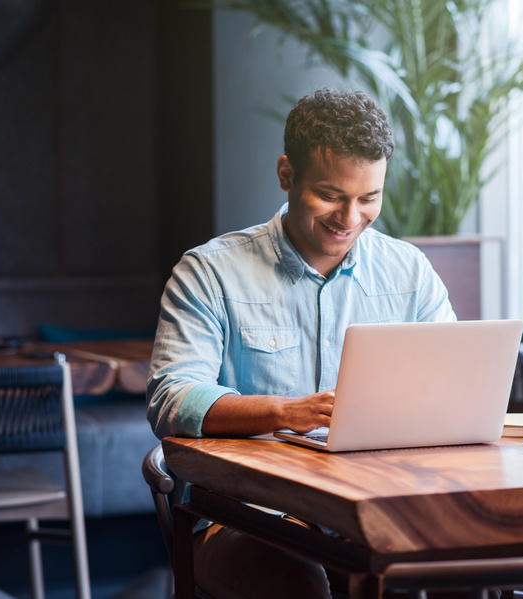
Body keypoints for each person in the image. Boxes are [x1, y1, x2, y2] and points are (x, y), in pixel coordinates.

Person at [147, 88, 456, 598]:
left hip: (381, 510)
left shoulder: (409, 272)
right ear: (286, 174)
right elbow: (172, 397)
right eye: (331, 195)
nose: (350, 218)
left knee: (472, 573)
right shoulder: (210, 272)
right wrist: (286, 411)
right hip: (245, 518)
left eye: (369, 198)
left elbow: (456, 384)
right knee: (298, 583)